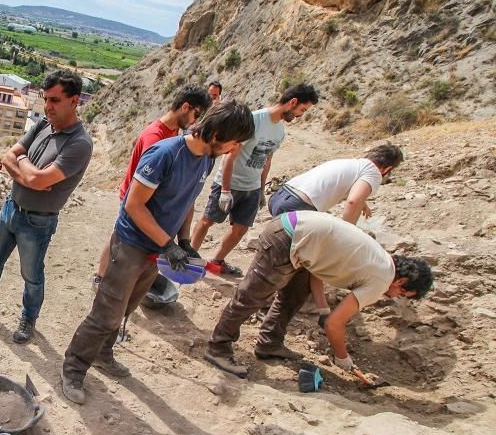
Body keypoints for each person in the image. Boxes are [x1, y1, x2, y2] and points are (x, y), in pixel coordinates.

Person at [60, 101, 256, 404]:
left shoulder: (206, 158)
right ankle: (73, 368)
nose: (234, 149)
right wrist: (167, 244)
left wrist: (184, 240)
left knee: (125, 309)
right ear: (217, 133)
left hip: (158, 251)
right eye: (234, 142)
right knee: (105, 315)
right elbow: (134, 205)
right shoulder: (166, 154)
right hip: (130, 246)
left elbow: (188, 200)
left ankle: (103, 354)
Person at [204, 211, 433, 378]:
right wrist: (343, 359)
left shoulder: (379, 260)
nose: (395, 297)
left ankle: (269, 343)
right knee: (252, 296)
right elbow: (335, 324)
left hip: (294, 233)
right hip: (287, 238)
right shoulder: (381, 279)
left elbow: (319, 268)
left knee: (295, 295)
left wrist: (323, 309)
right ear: (401, 281)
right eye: (402, 293)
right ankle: (218, 347)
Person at [0, 70, 93, 343]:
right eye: (46, 99)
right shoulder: (44, 124)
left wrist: (23, 167)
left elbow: (29, 172)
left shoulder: (80, 144)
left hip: (38, 221)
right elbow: (11, 158)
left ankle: (29, 318)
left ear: (75, 101)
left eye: (55, 100)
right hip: (11, 207)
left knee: (31, 275)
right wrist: (27, 175)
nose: (48, 106)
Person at [191, 83, 320, 276]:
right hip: (230, 182)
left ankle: (217, 262)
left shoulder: (280, 132)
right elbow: (229, 155)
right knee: (207, 220)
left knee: (241, 228)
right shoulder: (254, 120)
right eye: (302, 109)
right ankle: (190, 258)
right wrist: (225, 190)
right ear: (292, 102)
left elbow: (267, 160)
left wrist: (260, 190)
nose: (301, 114)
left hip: (251, 187)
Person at [268, 144, 404, 321]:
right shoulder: (374, 173)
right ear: (387, 168)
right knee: (305, 259)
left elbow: (350, 191)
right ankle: (277, 299)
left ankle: (275, 295)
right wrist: (345, 235)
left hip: (281, 196)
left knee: (286, 253)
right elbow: (353, 201)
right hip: (298, 205)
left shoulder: (353, 163)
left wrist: (363, 202)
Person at [93, 84, 212, 287]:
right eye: (196, 115)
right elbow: (143, 184)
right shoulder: (155, 136)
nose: (196, 122)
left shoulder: (174, 132)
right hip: (137, 197)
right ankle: (101, 277)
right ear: (185, 107)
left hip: (149, 198)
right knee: (117, 239)